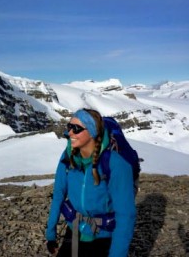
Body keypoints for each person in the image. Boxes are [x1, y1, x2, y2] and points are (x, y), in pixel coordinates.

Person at [45, 108, 136, 257]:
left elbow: (125, 215)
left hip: (103, 237)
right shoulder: (68, 156)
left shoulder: (115, 164)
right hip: (74, 230)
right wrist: (50, 234)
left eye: (76, 129)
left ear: (93, 132)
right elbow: (58, 194)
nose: (70, 133)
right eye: (69, 127)